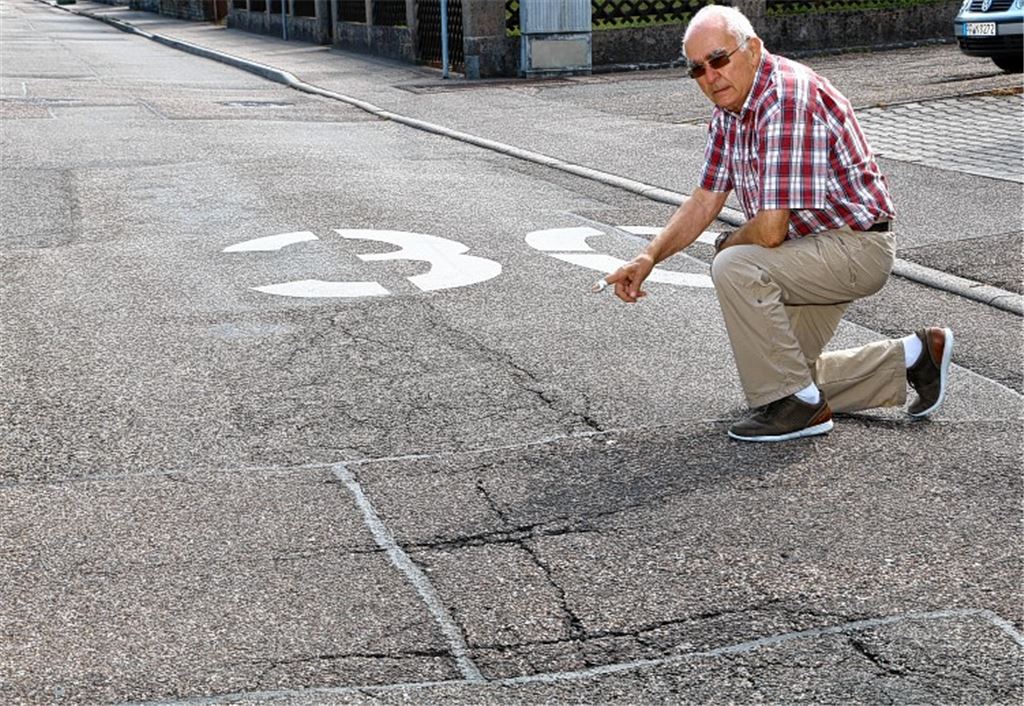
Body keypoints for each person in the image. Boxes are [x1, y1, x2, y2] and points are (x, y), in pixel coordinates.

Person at [604, 5, 953, 443]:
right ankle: (915, 356)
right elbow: (705, 198)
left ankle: (801, 409)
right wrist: (649, 255)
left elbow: (768, 231)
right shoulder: (731, 110)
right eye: (697, 69)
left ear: (752, 49)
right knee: (788, 378)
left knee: (735, 266)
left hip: (854, 248)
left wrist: (728, 242)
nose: (710, 76)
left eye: (718, 59)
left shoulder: (786, 98)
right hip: (812, 247)